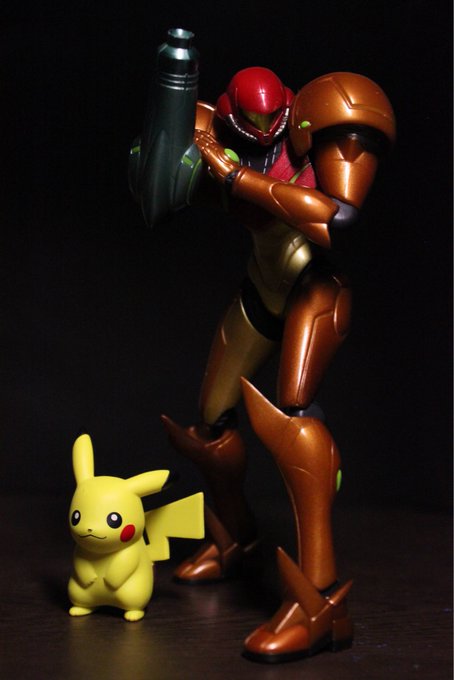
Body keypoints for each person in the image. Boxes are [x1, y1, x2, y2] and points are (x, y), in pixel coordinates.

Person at [159, 65, 395, 663]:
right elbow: (163, 183)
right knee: (211, 421)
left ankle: (321, 605)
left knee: (295, 420)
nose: (264, 129)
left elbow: (334, 215)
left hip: (314, 290)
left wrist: (234, 176)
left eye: (274, 120)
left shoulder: (322, 125)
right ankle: (235, 538)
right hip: (262, 290)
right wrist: (167, 158)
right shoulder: (214, 134)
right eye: (251, 123)